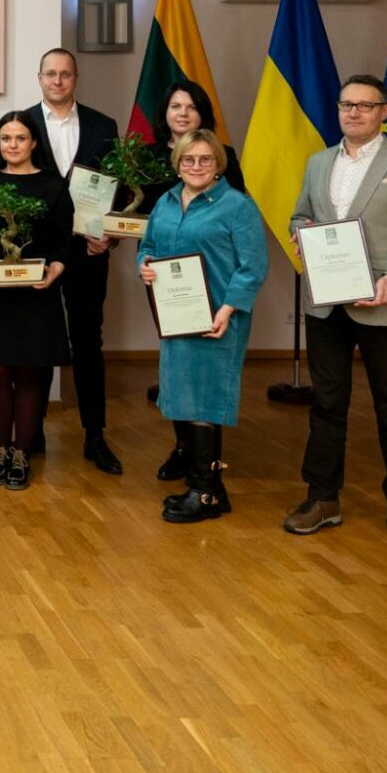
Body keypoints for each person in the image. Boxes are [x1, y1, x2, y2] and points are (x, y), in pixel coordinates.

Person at [283, 74, 387, 545]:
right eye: (346, 105)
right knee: (326, 404)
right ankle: (322, 498)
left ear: (385, 112)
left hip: (385, 307)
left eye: (365, 105)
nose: (353, 112)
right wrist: (301, 231)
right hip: (326, 307)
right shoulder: (318, 162)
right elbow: (299, 214)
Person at [137, 129, 268, 523]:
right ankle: (208, 488)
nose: (196, 166)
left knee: (205, 398)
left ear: (218, 165)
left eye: (205, 159)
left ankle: (204, 492)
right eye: (188, 159)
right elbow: (148, 246)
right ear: (177, 164)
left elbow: (253, 266)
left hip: (217, 319)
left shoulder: (237, 206)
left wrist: (228, 309)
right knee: (182, 394)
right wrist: (144, 265)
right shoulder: (166, 201)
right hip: (177, 317)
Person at [21, 48, 124, 473]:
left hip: (87, 251)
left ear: (75, 78)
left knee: (87, 340)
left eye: (65, 74)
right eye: (51, 74)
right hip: (40, 252)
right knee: (39, 339)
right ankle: (32, 430)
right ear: (39, 78)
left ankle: (94, 435)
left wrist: (110, 236)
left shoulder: (103, 126)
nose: (58, 81)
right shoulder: (22, 123)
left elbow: (117, 188)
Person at [0, 111, 73, 491]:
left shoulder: (53, 186)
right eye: (6, 138)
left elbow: (63, 239)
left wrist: (55, 270)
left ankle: (22, 454)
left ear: (34, 142)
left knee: (28, 373)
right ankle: (1, 450)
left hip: (36, 294)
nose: (12, 144)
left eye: (20, 138)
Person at [147, 78, 248, 480]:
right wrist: (142, 259)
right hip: (168, 285)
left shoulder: (228, 179)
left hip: (216, 287)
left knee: (207, 376)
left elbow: (241, 232)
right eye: (176, 106)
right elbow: (147, 233)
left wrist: (229, 303)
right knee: (178, 371)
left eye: (191, 106)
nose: (183, 113)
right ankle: (185, 450)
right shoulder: (154, 169)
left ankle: (206, 474)